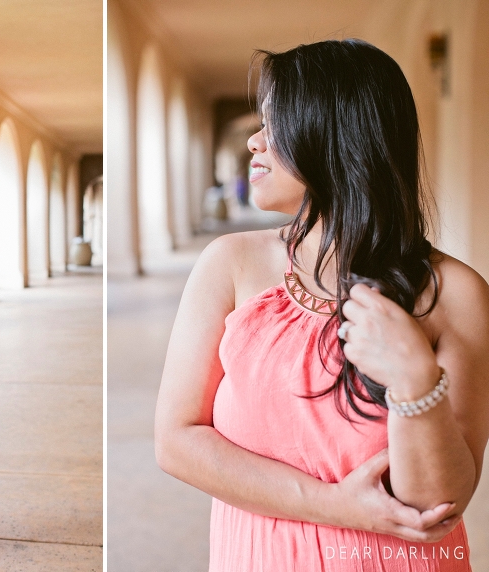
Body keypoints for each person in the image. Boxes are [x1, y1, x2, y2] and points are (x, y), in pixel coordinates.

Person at [154, 39, 489, 571]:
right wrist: (334, 505)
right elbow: (176, 440)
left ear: (335, 133)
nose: (254, 142)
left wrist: (415, 381)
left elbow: (436, 506)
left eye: (274, 124)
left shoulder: (453, 293)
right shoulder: (230, 264)